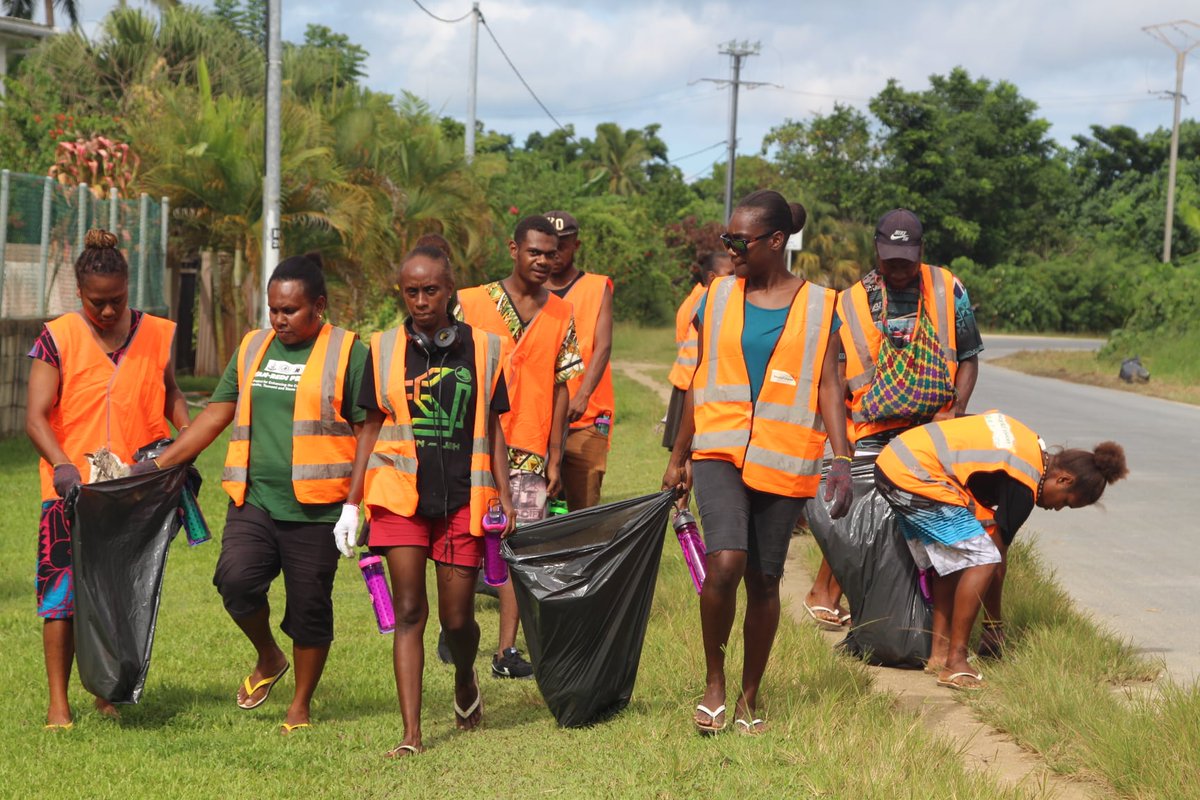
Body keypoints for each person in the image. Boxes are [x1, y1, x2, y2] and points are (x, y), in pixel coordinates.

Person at [149, 253, 367, 733]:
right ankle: (269, 655)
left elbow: (367, 430)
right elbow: (215, 413)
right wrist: (158, 466)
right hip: (254, 500)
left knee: (309, 608)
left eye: (290, 310)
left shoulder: (348, 351)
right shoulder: (253, 347)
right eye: (273, 309)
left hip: (317, 509)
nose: (279, 319)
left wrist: (355, 504)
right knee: (235, 581)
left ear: (319, 306)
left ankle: (300, 705)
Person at [662, 190, 852, 735]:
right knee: (726, 562)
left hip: (784, 458)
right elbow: (697, 378)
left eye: (739, 241)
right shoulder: (716, 296)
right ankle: (714, 683)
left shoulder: (822, 305)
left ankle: (749, 696)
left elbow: (829, 384)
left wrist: (842, 458)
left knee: (766, 579)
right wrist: (678, 456)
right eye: (727, 239)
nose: (730, 249)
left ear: (776, 241)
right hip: (718, 450)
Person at [346, 245, 515, 757]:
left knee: (457, 619)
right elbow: (369, 428)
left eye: (431, 290)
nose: (421, 301)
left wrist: (506, 495)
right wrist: (352, 503)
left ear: (450, 290)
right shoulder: (381, 349)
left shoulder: (484, 348)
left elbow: (494, 427)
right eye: (411, 292)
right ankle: (411, 735)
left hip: (465, 498)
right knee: (409, 610)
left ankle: (464, 676)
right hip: (400, 499)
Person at [25, 229, 191, 729]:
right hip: (71, 493)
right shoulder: (56, 338)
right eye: (97, 301)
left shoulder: (154, 334)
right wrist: (62, 465)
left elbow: (170, 393)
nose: (108, 310)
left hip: (133, 488)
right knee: (62, 597)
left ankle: (106, 690)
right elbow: (35, 417)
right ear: (79, 292)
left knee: (118, 592)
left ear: (128, 288)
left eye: (116, 299)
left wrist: (187, 437)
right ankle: (59, 703)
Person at [804, 208, 984, 632]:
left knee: (925, 518)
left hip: (932, 428)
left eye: (906, 261)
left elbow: (969, 357)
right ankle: (826, 593)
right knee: (861, 517)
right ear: (876, 251)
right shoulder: (851, 302)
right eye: (890, 261)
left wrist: (956, 407)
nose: (898, 270)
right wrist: (840, 447)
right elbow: (834, 379)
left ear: (921, 250)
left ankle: (916, 614)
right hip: (871, 429)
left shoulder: (948, 288)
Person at [874, 411, 1127, 689]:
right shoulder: (1024, 485)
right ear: (1064, 480)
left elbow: (962, 424)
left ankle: (939, 654)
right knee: (982, 558)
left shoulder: (1028, 443)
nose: (1057, 508)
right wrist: (993, 626)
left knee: (956, 558)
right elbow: (994, 560)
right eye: (1065, 502)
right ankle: (956, 662)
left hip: (895, 461)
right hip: (916, 474)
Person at [457, 216, 582, 679]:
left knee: (520, 550)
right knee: (463, 546)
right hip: (471, 446)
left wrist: (556, 454)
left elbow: (563, 385)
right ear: (514, 250)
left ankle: (505, 651)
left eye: (551, 254)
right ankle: (457, 628)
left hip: (528, 447)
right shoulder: (472, 302)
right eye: (535, 252)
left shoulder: (562, 313)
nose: (544, 261)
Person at [543, 210, 613, 511]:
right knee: (535, 507)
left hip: (585, 417)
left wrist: (583, 395)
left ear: (576, 245)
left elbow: (603, 345)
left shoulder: (597, 287)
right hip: (539, 419)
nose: (556, 251)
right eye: (550, 244)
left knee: (583, 507)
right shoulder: (529, 291)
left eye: (563, 244)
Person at [663, 250, 734, 449]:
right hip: (693, 385)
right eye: (730, 274)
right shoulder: (709, 299)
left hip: (687, 381)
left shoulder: (694, 297)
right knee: (691, 450)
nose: (736, 279)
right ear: (712, 277)